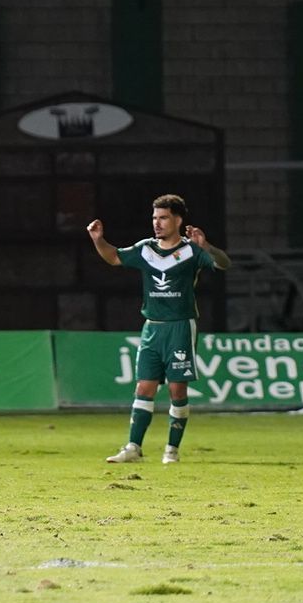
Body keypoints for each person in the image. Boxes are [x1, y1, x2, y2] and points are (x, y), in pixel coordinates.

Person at [87, 193, 230, 465]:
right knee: (144, 388)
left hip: (180, 327)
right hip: (152, 328)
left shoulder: (191, 251)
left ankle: (172, 450)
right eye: (155, 218)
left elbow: (224, 263)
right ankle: (133, 448)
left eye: (163, 218)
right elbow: (114, 257)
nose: (157, 223)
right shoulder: (146, 249)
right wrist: (98, 240)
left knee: (177, 391)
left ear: (178, 220)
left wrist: (207, 246)